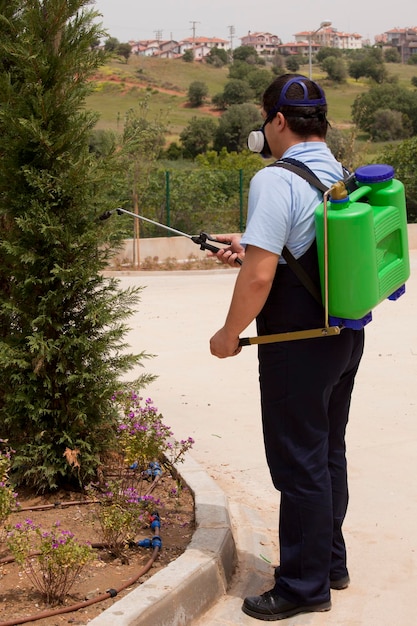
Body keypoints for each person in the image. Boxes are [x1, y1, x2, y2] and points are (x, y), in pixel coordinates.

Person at [210, 74, 365, 621]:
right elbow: (296, 244)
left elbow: (259, 277)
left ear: (277, 120)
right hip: (343, 335)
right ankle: (330, 563)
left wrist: (228, 335)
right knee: (326, 453)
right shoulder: (335, 170)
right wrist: (250, 242)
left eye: (264, 120)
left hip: (297, 342)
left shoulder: (275, 179)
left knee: (298, 464)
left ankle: (302, 587)